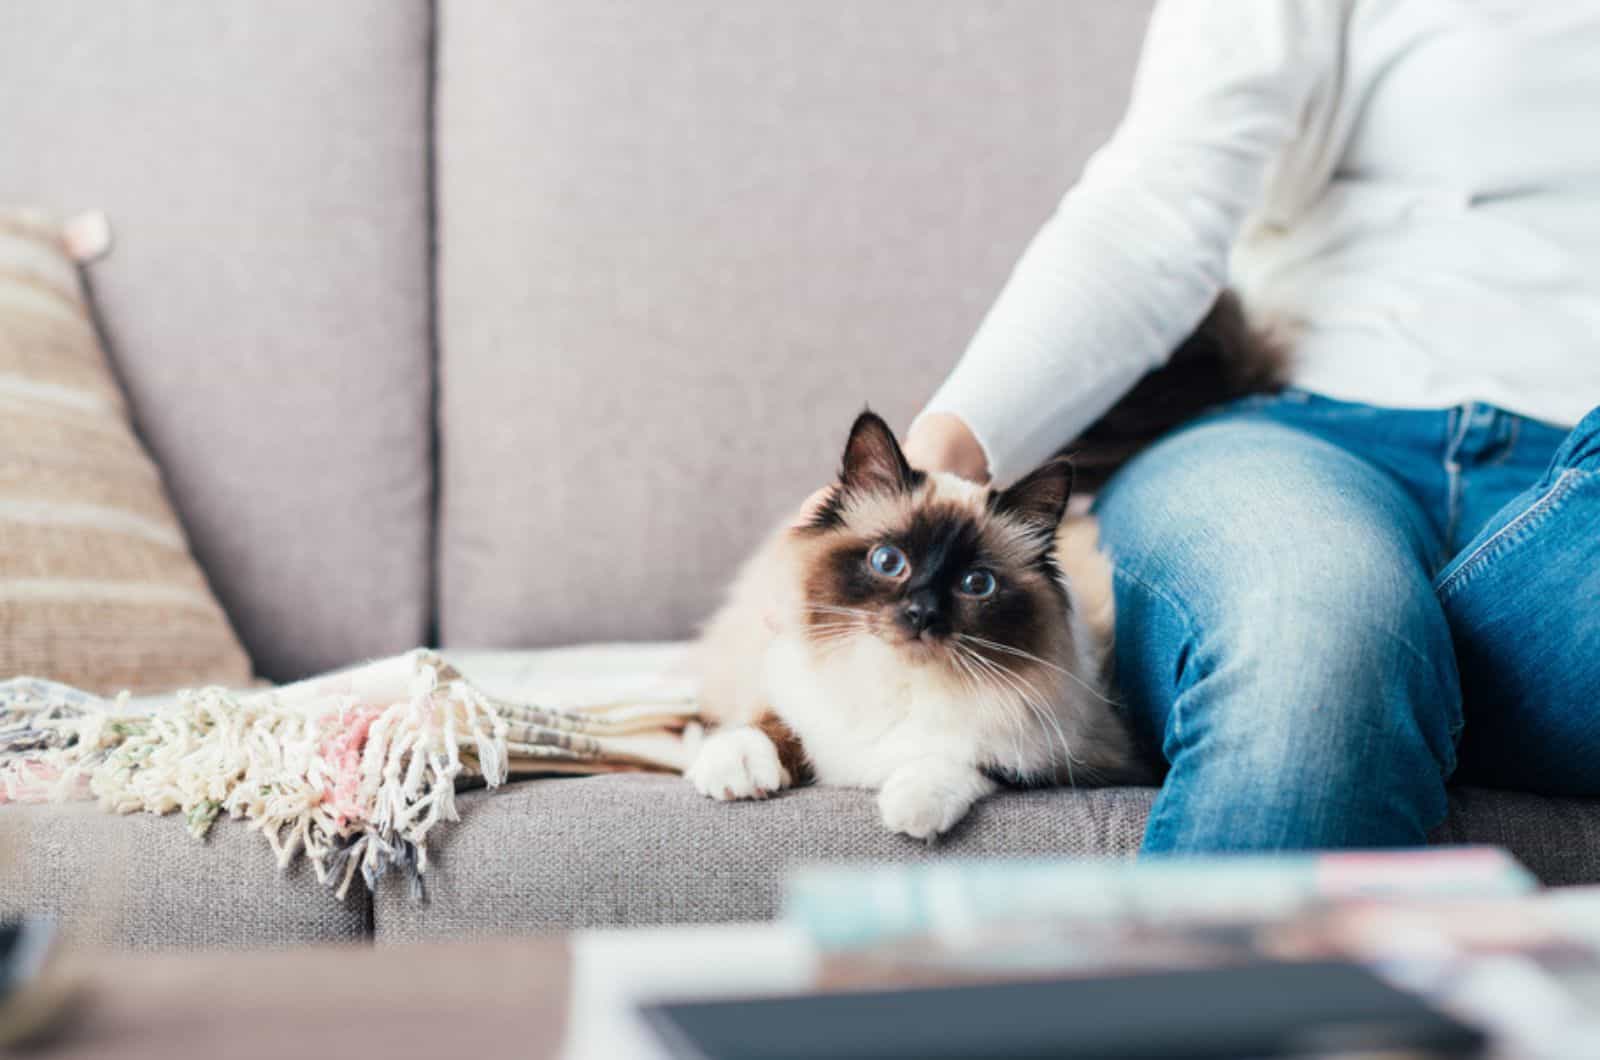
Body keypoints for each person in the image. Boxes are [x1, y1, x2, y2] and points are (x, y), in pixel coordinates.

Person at [885, 2, 1600, 851]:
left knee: (1352, 656)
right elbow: (1155, 208)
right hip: (1298, 436)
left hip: (1577, 524)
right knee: (1312, 629)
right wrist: (939, 463)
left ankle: (1406, 696)